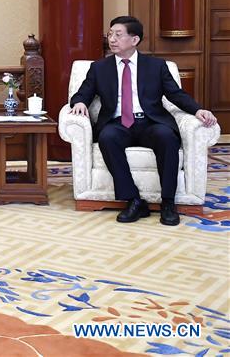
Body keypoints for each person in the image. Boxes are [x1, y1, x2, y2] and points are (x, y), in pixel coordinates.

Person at [69, 16, 217, 226]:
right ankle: (134, 200)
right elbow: (82, 93)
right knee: (107, 137)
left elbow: (175, 94)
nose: (112, 39)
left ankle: (168, 202)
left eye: (118, 35)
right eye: (110, 34)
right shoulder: (99, 68)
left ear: (134, 39)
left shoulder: (156, 66)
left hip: (150, 121)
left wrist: (197, 109)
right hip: (118, 123)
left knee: (166, 137)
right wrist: (79, 103)